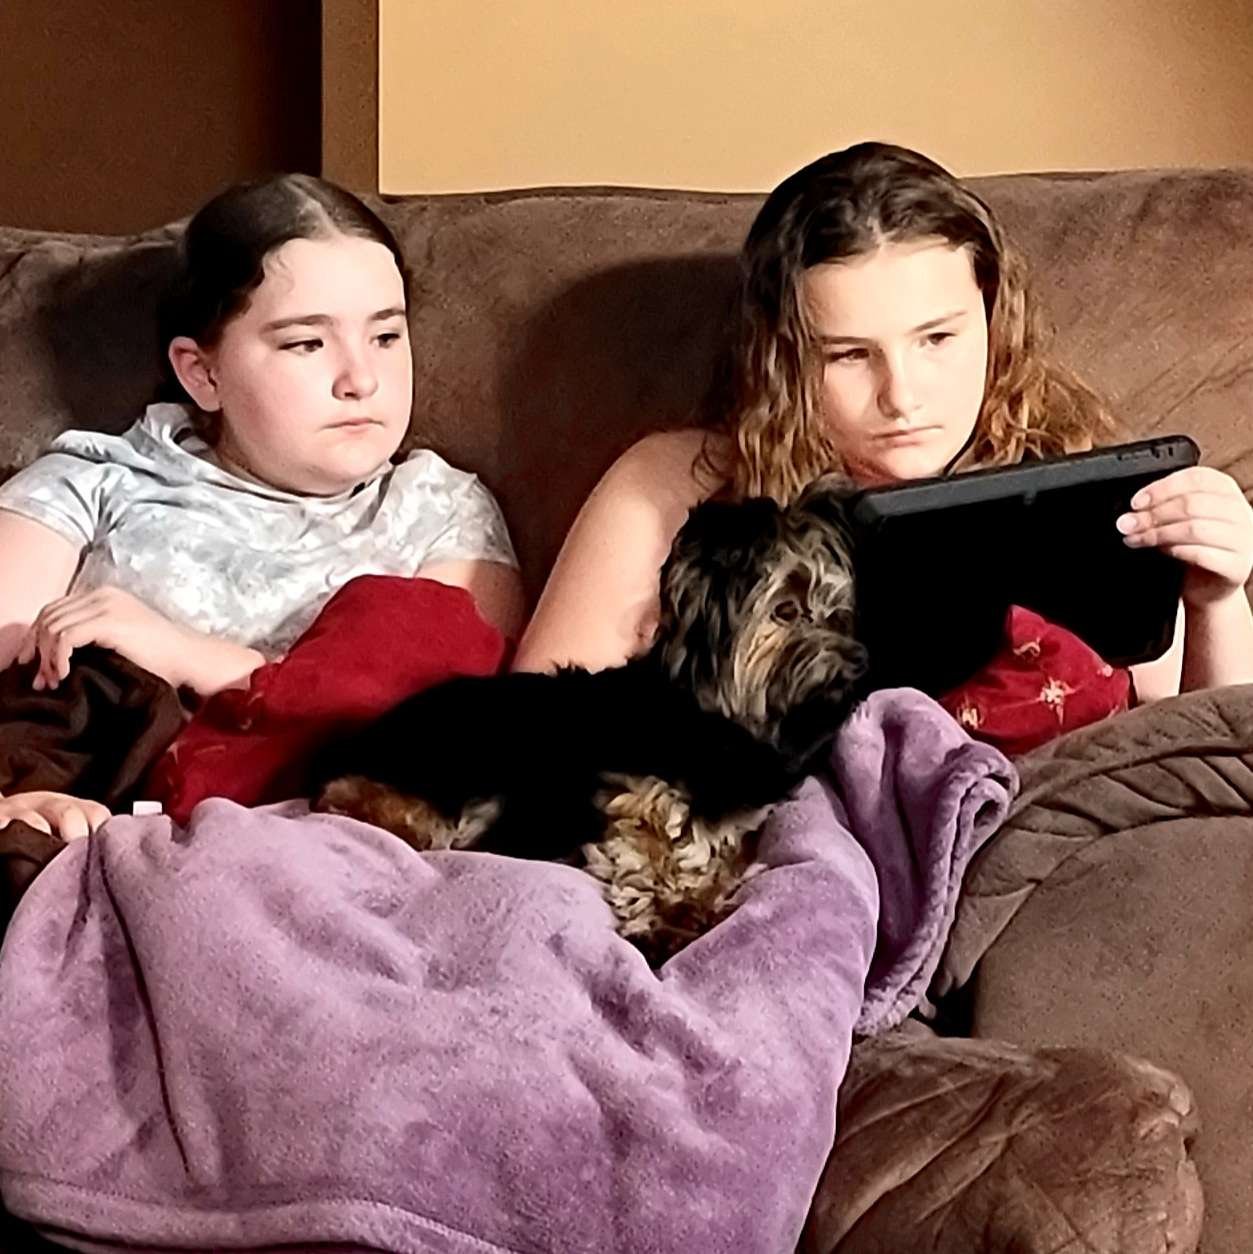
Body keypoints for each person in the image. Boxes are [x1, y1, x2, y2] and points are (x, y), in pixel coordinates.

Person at [513, 141, 1253, 706]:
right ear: (784, 359)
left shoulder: (1078, 479)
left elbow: (1210, 753)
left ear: (994, 321)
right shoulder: (682, 483)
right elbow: (526, 737)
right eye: (848, 355)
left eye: (937, 339)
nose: (901, 396)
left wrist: (1216, 599)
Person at [0, 174, 523, 838]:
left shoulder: (441, 512)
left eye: (386, 337)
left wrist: (191, 657)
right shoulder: (92, 484)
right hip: (99, 832)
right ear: (203, 373)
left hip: (327, 844)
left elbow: (448, 750)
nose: (361, 380)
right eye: (307, 343)